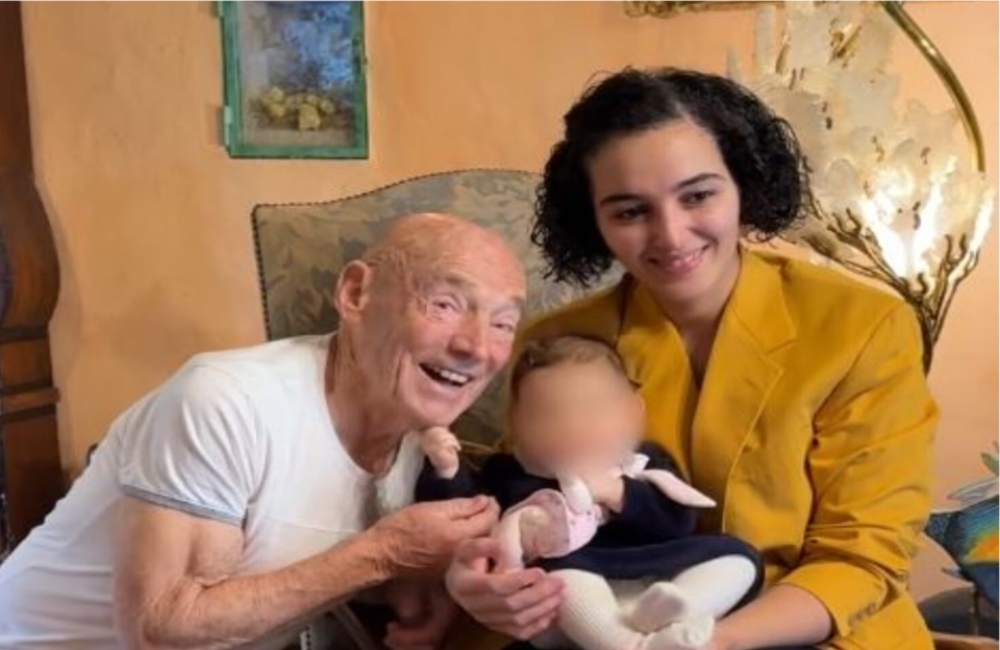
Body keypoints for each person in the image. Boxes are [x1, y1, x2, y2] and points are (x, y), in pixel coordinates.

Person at [444, 68, 938, 650]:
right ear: (593, 220)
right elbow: (523, 506)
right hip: (612, 621)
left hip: (815, 630)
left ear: (744, 184)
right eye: (630, 211)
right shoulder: (556, 341)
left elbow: (863, 557)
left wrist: (711, 641)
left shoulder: (864, 325)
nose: (672, 236)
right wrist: (477, 584)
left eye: (698, 196)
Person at [0, 213, 527, 650]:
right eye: (444, 304)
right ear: (356, 293)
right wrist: (383, 554)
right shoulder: (225, 399)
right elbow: (158, 633)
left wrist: (436, 592)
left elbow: (321, 559)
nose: (477, 347)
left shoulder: (423, 443)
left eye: (503, 323)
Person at [418, 335, 761, 650]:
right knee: (559, 578)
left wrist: (619, 493)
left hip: (658, 568)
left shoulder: (645, 463)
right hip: (574, 588)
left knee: (737, 557)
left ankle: (677, 612)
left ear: (633, 414)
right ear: (516, 426)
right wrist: (446, 471)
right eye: (550, 414)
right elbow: (467, 515)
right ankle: (630, 645)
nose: (575, 426)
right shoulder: (509, 472)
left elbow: (679, 522)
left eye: (595, 408)